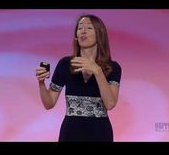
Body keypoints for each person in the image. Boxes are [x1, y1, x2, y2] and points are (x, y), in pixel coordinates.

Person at [35, 14, 122, 142]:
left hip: (99, 132)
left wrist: (97, 71)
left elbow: (110, 103)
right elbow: (49, 103)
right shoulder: (65, 64)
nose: (83, 31)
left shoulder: (112, 67)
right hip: (71, 132)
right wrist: (41, 83)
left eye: (89, 28)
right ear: (76, 36)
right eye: (80, 27)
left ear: (100, 34)